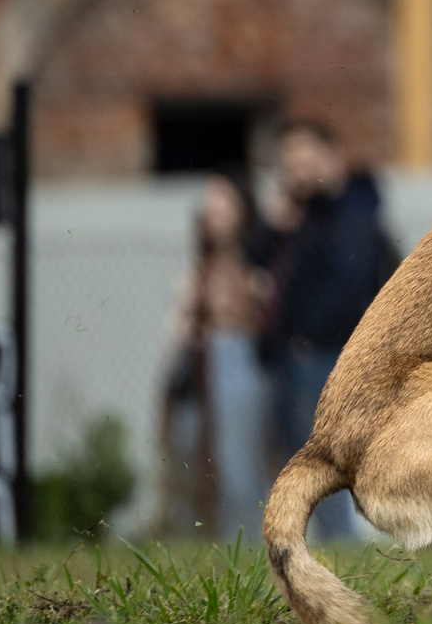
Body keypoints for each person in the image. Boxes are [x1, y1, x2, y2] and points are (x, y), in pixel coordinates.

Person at [264, 118, 396, 542]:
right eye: (289, 163)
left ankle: (342, 543)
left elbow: (349, 283)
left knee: (322, 456)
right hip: (303, 349)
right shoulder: (306, 215)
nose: (297, 172)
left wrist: (310, 334)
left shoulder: (351, 211)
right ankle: (334, 540)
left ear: (330, 158)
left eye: (305, 161)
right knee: (306, 449)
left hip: (325, 351)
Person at [159, 170, 275, 541]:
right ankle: (201, 545)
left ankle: (245, 545)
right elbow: (179, 325)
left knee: (238, 465)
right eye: (209, 202)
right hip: (196, 370)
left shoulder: (257, 260)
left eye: (222, 202)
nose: (212, 210)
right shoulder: (199, 263)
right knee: (190, 458)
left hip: (239, 361)